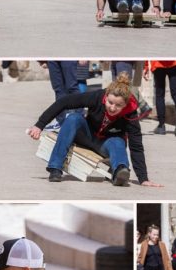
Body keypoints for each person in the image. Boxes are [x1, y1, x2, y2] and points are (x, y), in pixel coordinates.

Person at [26, 73, 163, 187]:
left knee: (118, 142)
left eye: (118, 105)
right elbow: (64, 102)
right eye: (110, 102)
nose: (112, 108)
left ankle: (120, 171)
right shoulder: (97, 97)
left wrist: (143, 178)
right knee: (73, 118)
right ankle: (55, 168)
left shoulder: (131, 114)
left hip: (105, 144)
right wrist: (39, 125)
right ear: (106, 96)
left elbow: (136, 146)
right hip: (86, 135)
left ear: (126, 104)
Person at [144, 60, 176, 136]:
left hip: (158, 63)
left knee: (160, 95)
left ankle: (161, 126)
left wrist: (145, 66)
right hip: (175, 62)